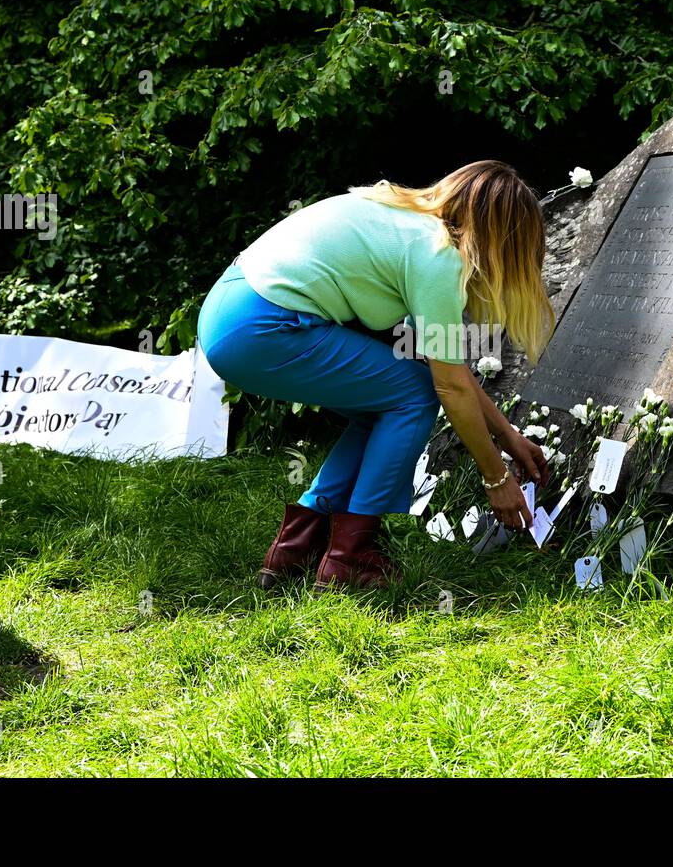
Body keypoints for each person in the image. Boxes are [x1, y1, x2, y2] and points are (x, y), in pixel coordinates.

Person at [196, 160, 555, 590]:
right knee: (415, 396)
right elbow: (448, 386)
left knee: (385, 404)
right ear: (507, 240)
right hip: (265, 325)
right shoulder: (438, 256)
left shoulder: (404, 222)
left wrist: (509, 437)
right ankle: (350, 556)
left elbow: (445, 367)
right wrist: (496, 478)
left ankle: (297, 545)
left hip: (229, 311)